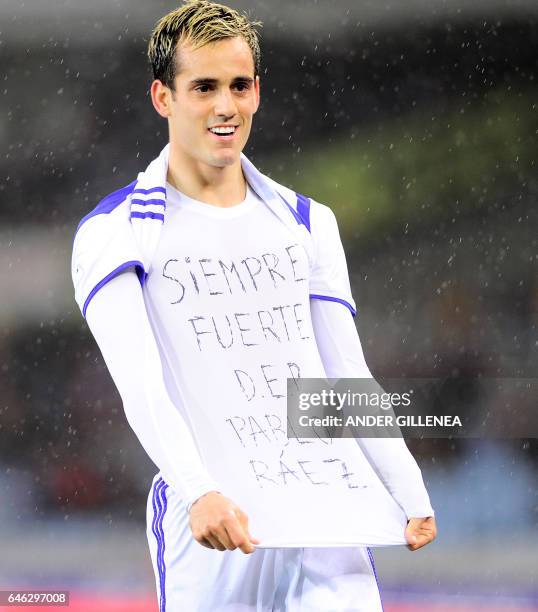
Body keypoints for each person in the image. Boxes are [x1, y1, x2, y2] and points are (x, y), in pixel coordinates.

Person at [71, 1, 437, 610]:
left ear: (258, 92)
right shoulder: (113, 231)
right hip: (214, 525)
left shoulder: (308, 223)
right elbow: (142, 387)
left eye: (239, 86)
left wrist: (407, 484)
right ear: (163, 97)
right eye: (204, 87)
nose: (225, 106)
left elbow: (345, 376)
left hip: (324, 515)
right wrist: (198, 491)